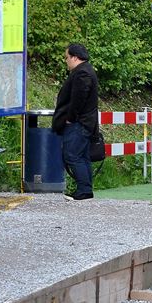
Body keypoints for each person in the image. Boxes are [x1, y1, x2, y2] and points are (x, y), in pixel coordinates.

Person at [51, 43, 99, 201]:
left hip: (79, 122)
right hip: (86, 122)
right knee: (82, 156)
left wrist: (70, 118)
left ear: (75, 57)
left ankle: (84, 189)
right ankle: (86, 188)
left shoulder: (81, 73)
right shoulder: (87, 70)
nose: (66, 61)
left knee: (72, 155)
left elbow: (78, 98)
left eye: (67, 57)